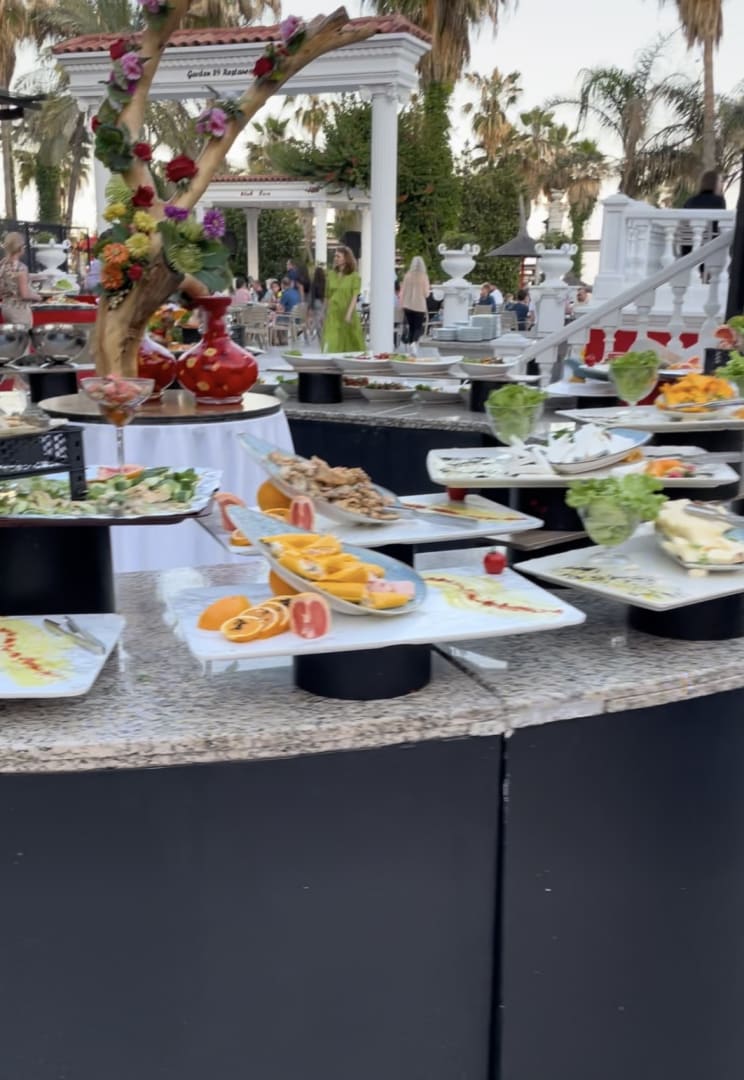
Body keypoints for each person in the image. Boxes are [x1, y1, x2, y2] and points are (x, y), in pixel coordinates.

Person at [322, 245, 365, 353]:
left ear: (346, 258)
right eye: (335, 256)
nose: (335, 258)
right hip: (333, 314)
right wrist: (325, 312)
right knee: (331, 341)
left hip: (347, 313)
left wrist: (349, 314)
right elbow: (327, 296)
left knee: (350, 343)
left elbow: (354, 296)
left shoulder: (354, 276)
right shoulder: (331, 275)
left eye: (338, 256)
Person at [0, 232, 41, 326]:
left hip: (6, 308)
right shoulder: (21, 268)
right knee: (23, 334)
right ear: (20, 248)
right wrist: (38, 297)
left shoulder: (2, 264)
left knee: (12, 334)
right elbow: (24, 295)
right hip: (19, 310)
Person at [399, 255, 430, 345]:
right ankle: (414, 344)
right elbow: (426, 293)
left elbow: (403, 291)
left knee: (411, 327)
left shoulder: (407, 276)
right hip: (419, 305)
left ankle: (410, 344)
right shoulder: (424, 276)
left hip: (407, 305)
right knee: (418, 327)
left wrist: (402, 303)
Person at [308, 265, 326, 339]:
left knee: (317, 319)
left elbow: (312, 296)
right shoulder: (325, 282)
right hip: (324, 302)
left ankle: (318, 335)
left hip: (317, 302)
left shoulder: (314, 283)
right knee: (322, 319)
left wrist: (310, 307)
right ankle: (323, 335)